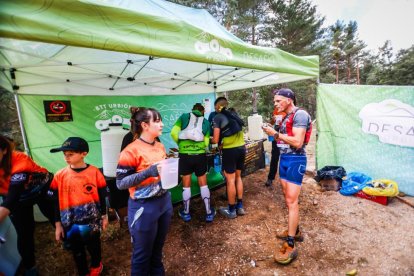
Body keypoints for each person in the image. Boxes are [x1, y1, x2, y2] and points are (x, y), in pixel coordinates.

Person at [116, 107, 173, 275]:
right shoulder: (130, 151)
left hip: (164, 202)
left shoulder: (160, 146)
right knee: (142, 255)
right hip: (143, 207)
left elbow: (161, 174)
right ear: (144, 125)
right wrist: (148, 172)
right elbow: (121, 183)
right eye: (157, 121)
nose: (162, 124)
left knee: (157, 249)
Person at [262, 88, 312, 265]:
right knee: (287, 197)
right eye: (275, 101)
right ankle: (295, 230)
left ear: (289, 100)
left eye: (278, 101)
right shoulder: (284, 117)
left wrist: (275, 133)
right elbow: (281, 138)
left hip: (295, 159)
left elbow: (298, 142)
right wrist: (274, 129)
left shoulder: (301, 115)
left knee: (292, 201)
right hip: (284, 158)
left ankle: (291, 243)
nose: (275, 104)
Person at [50, 137, 108, 276]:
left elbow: (102, 195)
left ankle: (96, 265)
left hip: (91, 221)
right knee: (76, 249)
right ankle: (82, 270)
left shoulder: (94, 172)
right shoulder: (60, 175)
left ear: (84, 153)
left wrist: (104, 216)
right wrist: (58, 224)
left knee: (93, 245)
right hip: (70, 221)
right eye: (64, 154)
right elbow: (53, 201)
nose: (66, 158)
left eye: (71, 154)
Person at [0, 135, 54, 276]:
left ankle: (71, 243)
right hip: (15, 196)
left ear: (4, 150)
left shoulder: (19, 160)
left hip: (41, 188)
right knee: (24, 233)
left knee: (55, 216)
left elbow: (12, 199)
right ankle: (30, 267)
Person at [171, 103, 215, 222]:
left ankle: (186, 213)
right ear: (202, 111)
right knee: (203, 183)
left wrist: (181, 144)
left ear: (193, 110)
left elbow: (173, 133)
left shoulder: (183, 117)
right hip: (200, 155)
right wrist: (199, 146)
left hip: (185, 155)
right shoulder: (205, 122)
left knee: (186, 184)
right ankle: (208, 212)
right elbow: (206, 143)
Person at [211, 97, 246, 219]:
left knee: (230, 180)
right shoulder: (234, 114)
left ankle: (231, 210)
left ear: (218, 107)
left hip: (230, 151)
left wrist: (210, 140)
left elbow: (215, 140)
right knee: (238, 177)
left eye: (215, 108)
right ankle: (240, 206)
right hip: (242, 148)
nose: (215, 110)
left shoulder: (218, 117)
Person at [265, 91, 287, 187]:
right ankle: (270, 178)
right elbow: (273, 122)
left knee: (286, 157)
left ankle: (287, 179)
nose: (276, 104)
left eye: (278, 101)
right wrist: (272, 120)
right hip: (276, 135)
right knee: (274, 156)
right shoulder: (276, 109)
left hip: (286, 135)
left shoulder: (290, 111)